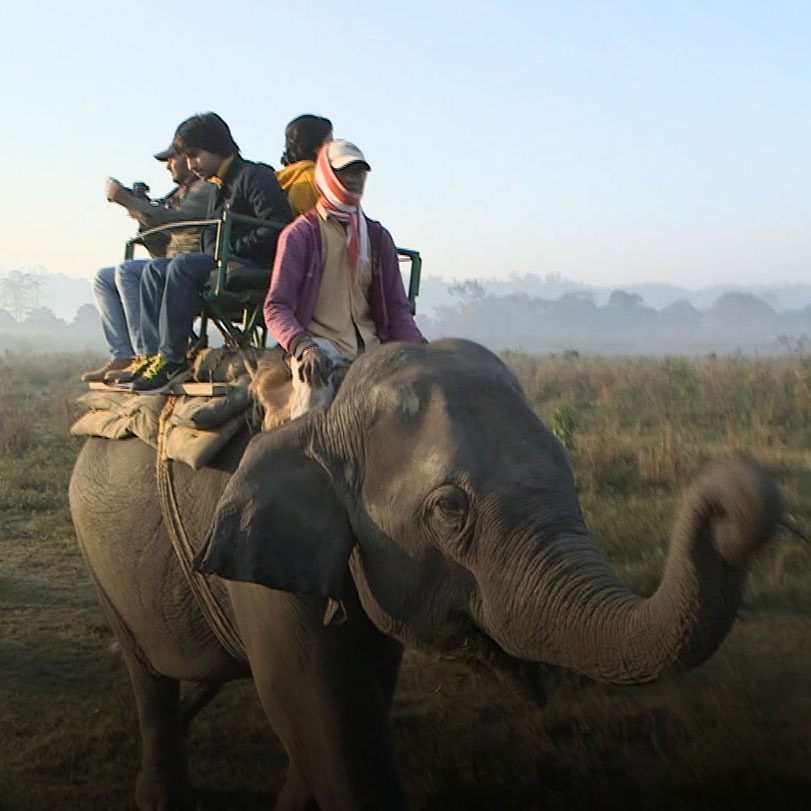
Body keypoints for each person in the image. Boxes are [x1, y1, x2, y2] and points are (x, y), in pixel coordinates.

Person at [130, 112, 293, 394]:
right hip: (226, 260)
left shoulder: (255, 175)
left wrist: (228, 249)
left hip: (254, 264)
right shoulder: (220, 185)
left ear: (216, 146)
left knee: (182, 266)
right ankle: (154, 353)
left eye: (195, 155)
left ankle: (173, 357)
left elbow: (277, 227)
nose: (191, 166)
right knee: (154, 269)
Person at [263, 139, 425, 418]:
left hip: (373, 348)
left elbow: (398, 308)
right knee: (314, 395)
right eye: (344, 172)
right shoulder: (301, 234)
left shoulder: (377, 237)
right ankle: (303, 457)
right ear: (326, 175)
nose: (353, 179)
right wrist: (304, 347)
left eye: (359, 172)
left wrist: (422, 352)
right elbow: (276, 307)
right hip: (320, 345)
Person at [81, 147, 214, 382]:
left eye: (171, 158)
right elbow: (159, 240)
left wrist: (129, 201)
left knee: (127, 271)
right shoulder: (179, 193)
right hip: (166, 263)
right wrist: (140, 210)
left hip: (186, 268)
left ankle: (148, 355)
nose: (168, 165)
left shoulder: (205, 189)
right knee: (104, 277)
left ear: (188, 157)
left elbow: (174, 220)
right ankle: (123, 354)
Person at [275, 114, 333, 216]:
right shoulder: (314, 178)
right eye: (329, 142)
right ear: (316, 148)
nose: (333, 147)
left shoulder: (282, 178)